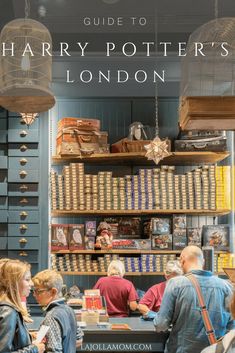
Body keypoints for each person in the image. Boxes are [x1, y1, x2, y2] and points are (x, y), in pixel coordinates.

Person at [153, 245, 234, 353]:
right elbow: (231, 326)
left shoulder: (175, 284)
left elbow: (161, 325)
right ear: (203, 261)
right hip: (215, 350)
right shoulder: (226, 286)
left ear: (182, 261)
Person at [0, 259, 45, 353]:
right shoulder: (8, 311)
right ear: (14, 282)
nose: (31, 284)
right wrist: (35, 349)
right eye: (27, 279)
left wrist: (27, 336)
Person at [33, 269, 83, 353]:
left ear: (53, 292)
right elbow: (78, 340)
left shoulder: (51, 317)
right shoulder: (69, 309)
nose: (34, 295)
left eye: (38, 291)